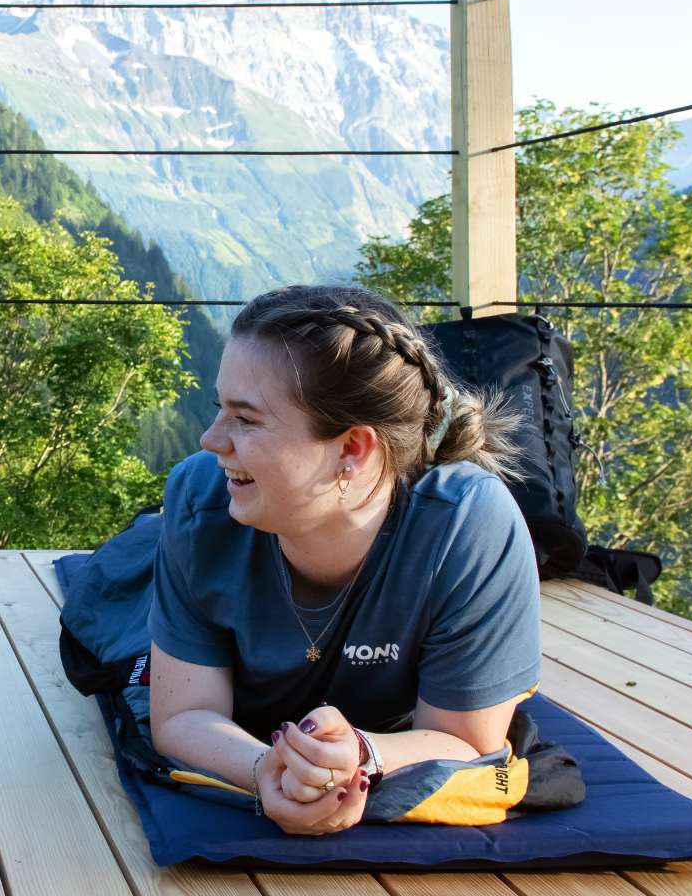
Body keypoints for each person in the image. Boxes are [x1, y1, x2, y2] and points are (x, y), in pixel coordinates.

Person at [147, 284, 539, 836]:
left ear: (352, 449)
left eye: (246, 419)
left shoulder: (466, 525)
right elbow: (183, 714)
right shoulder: (200, 499)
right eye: (220, 410)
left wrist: (361, 754)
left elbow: (468, 742)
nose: (211, 440)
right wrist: (265, 771)